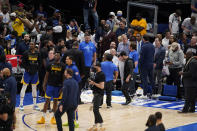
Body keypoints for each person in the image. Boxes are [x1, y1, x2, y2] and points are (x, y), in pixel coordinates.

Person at [37, 51, 65, 124]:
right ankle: (43, 118)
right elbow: (46, 75)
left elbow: (63, 78)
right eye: (55, 55)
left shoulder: (63, 66)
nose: (55, 56)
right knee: (46, 101)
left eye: (57, 55)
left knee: (55, 102)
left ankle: (53, 118)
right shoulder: (49, 64)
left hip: (58, 86)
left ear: (60, 57)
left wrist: (62, 88)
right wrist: (44, 84)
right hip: (50, 85)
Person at [19, 42, 40, 111]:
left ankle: (35, 104)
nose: (31, 45)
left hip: (35, 73)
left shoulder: (37, 53)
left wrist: (37, 69)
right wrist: (27, 69)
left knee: (34, 88)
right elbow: (22, 63)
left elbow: (39, 63)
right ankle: (21, 104)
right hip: (27, 73)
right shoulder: (25, 53)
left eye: (32, 44)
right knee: (24, 87)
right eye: (30, 44)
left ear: (34, 45)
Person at [88, 61, 105, 131]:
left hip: (99, 94)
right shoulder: (96, 74)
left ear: (98, 67)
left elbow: (102, 86)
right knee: (95, 110)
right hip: (95, 93)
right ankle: (96, 124)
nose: (93, 68)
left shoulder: (101, 74)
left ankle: (101, 123)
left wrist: (94, 83)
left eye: (94, 66)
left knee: (95, 110)